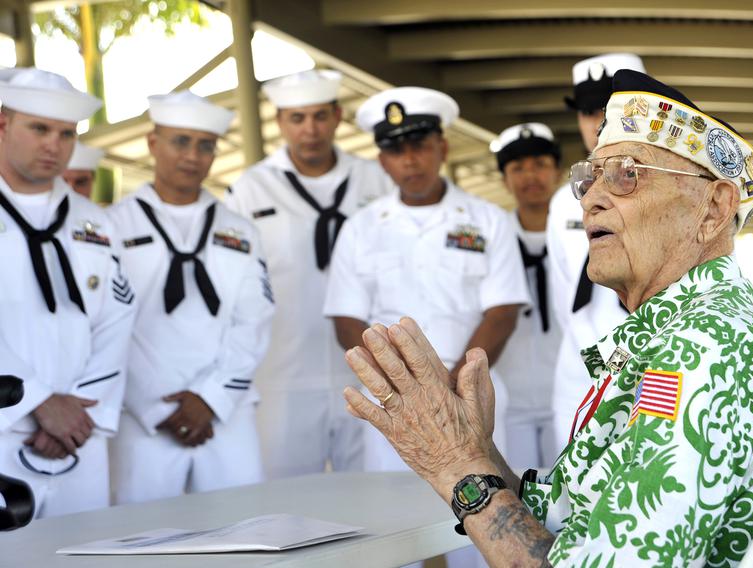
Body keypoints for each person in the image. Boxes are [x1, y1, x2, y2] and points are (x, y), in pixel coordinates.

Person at [341, 70, 753, 566]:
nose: (590, 199)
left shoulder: (706, 350)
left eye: (628, 174)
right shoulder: (697, 329)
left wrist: (454, 464)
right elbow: (577, 517)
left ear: (713, 209)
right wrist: (479, 453)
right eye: (589, 178)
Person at [324, 86, 529, 471]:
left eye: (420, 145)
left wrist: (455, 386)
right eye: (396, 151)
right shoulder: (360, 228)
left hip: (469, 390)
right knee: (391, 509)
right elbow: (345, 320)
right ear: (383, 161)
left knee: (481, 505)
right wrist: (399, 385)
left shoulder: (487, 220)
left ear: (443, 149)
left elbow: (502, 314)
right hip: (391, 396)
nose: (410, 160)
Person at [224, 69, 395, 478]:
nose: (310, 130)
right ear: (280, 122)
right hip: (282, 376)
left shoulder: (375, 180)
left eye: (320, 116)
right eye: (297, 118)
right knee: (285, 499)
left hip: (369, 371)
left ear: (337, 116)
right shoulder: (250, 189)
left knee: (373, 496)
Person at [108, 91, 274, 504]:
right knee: (142, 542)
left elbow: (254, 321)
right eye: (180, 141)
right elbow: (107, 324)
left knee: (244, 534)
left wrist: (210, 399)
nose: (192, 155)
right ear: (152, 143)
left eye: (205, 145)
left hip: (224, 412)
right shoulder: (111, 225)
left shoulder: (240, 231)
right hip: (142, 412)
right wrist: (154, 404)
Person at [0, 68, 136, 518]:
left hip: (80, 434)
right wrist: (38, 401)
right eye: (38, 128)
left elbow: (118, 320)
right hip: (4, 429)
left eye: (66, 133)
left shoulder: (95, 223)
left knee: (86, 554)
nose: (53, 145)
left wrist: (78, 414)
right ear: (2, 124)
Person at [547, 53, 646, 448]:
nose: (597, 121)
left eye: (609, 108)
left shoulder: (668, 191)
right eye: (588, 111)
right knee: (567, 497)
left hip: (647, 366)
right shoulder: (561, 204)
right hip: (577, 368)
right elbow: (562, 299)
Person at [490, 123, 563, 469]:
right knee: (519, 490)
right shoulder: (493, 235)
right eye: (517, 168)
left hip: (569, 391)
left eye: (540, 164)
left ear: (558, 172)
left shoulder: (585, 232)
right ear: (504, 180)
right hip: (510, 395)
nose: (530, 176)